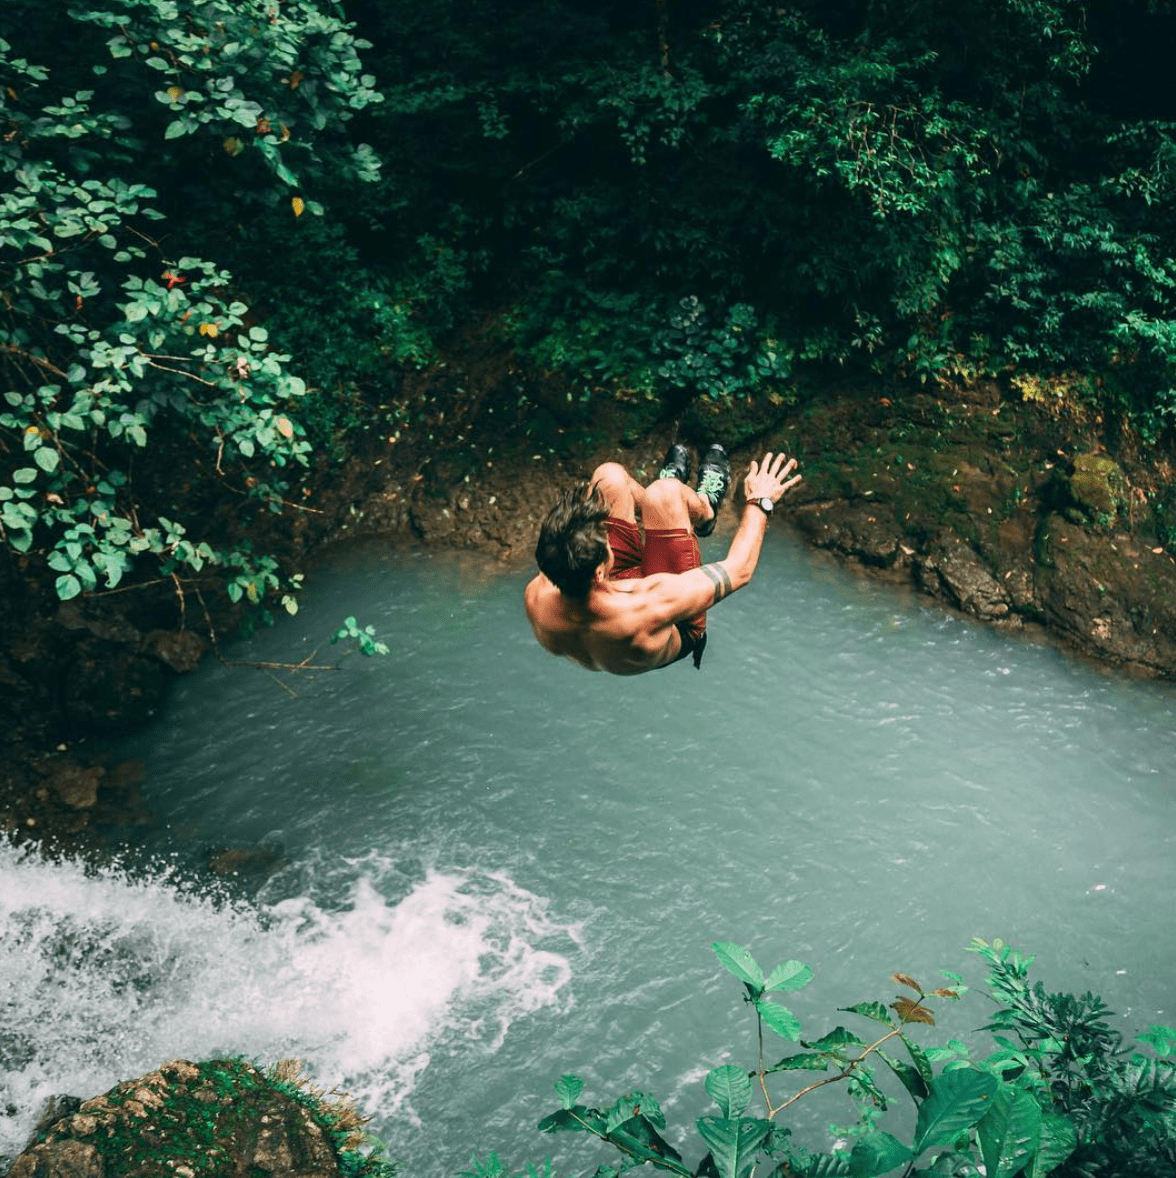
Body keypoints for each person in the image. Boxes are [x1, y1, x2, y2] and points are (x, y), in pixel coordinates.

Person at [524, 443, 801, 674]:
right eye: (603, 539)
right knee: (665, 493)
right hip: (671, 624)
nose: (606, 535)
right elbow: (739, 570)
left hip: (603, 599)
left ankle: (666, 499)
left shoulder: (538, 594)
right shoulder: (651, 603)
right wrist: (760, 500)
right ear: (598, 572)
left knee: (608, 478)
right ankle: (704, 509)